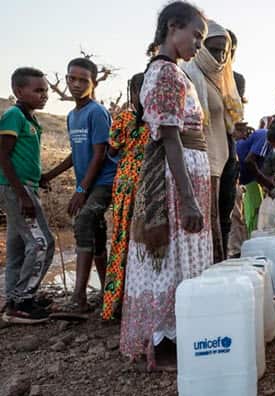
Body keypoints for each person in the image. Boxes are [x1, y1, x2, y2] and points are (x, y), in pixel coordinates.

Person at [120, 2, 211, 371]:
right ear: (174, 27)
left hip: (186, 173)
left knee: (180, 256)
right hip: (176, 181)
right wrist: (188, 200)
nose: (199, 46)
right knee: (173, 259)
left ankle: (174, 336)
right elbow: (171, 138)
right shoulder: (167, 75)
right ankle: (166, 341)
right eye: (197, 36)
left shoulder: (171, 73)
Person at [42, 58, 116, 318]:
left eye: (82, 80)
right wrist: (49, 175)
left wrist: (81, 190)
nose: (75, 84)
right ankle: (110, 293)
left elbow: (99, 154)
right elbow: (75, 154)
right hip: (88, 182)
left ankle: (79, 298)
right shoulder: (73, 115)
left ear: (93, 83)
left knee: (84, 221)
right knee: (95, 233)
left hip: (104, 182)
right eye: (71, 78)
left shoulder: (96, 112)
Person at [182, 19, 243, 263]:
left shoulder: (223, 80)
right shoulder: (189, 74)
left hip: (223, 161)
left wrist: (237, 130)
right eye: (213, 49)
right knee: (204, 229)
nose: (218, 56)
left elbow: (223, 123)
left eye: (223, 51)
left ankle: (218, 272)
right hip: (202, 164)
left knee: (221, 223)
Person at [0, 67, 54, 324]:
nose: (44, 95)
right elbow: (3, 156)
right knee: (43, 243)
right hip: (16, 189)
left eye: (46, 90)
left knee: (18, 246)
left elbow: (22, 157)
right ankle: (22, 301)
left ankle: (13, 297)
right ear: (19, 91)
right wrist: (22, 196)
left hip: (25, 186)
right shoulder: (13, 115)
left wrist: (39, 178)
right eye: (38, 90)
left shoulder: (29, 119)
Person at [101, 73, 150, 321]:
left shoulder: (122, 118)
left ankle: (113, 304)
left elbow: (112, 149)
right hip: (149, 183)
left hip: (124, 183)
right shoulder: (157, 121)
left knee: (122, 240)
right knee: (144, 241)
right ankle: (141, 301)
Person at [221, 28, 247, 258]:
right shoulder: (195, 76)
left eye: (229, 51)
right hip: (206, 153)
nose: (224, 56)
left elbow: (235, 118)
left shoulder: (236, 80)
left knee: (230, 212)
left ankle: (232, 257)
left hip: (228, 154)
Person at [236, 126, 274, 234]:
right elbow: (249, 161)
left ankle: (249, 235)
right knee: (238, 215)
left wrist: (265, 184)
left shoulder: (268, 143)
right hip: (237, 174)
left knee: (252, 210)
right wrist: (267, 184)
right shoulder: (266, 136)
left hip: (247, 179)